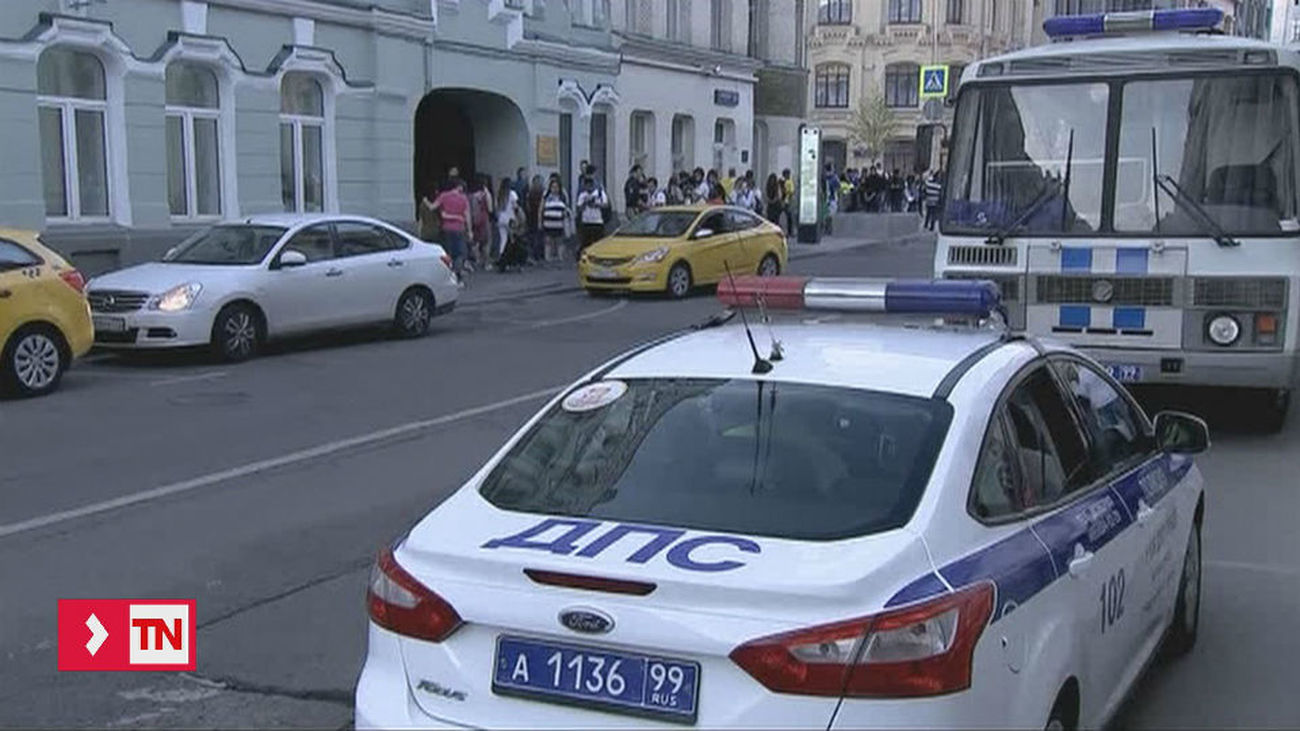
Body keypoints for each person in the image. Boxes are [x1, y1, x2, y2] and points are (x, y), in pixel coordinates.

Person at [429, 178, 472, 282]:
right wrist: (470, 231)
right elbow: (467, 216)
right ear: (459, 187)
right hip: (459, 228)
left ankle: (447, 275)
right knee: (459, 253)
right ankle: (457, 275)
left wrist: (426, 201)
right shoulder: (463, 198)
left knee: (448, 252)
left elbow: (432, 207)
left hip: (446, 228)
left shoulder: (443, 196)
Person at [575, 176, 609, 259]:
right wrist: (585, 202)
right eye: (587, 186)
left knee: (599, 242)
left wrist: (596, 205)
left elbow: (605, 205)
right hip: (586, 222)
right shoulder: (582, 195)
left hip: (597, 221)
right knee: (585, 242)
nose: (589, 188)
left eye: (590, 185)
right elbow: (578, 208)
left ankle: (598, 257)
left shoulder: (600, 193)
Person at [540, 178, 571, 262]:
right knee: (548, 241)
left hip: (559, 223)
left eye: (556, 187)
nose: (554, 189)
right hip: (548, 223)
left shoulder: (562, 197)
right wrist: (540, 221)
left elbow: (566, 209)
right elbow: (541, 209)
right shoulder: (546, 196)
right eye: (553, 187)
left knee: (560, 241)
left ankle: (560, 258)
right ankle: (548, 258)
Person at [469, 175, 495, 271]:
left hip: (474, 220)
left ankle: (477, 260)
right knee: (486, 242)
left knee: (475, 242)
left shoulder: (471, 195)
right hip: (484, 219)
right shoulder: (485, 194)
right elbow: (490, 208)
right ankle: (486, 263)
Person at [495, 177, 521, 261]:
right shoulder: (512, 193)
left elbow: (496, 207)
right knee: (512, 239)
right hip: (510, 219)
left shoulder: (499, 194)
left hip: (501, 218)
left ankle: (501, 255)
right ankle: (512, 257)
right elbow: (515, 206)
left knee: (503, 238)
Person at [524, 175, 545, 264]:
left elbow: (527, 205)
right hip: (534, 218)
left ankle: (535, 255)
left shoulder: (530, 193)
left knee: (535, 238)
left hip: (533, 218)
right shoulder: (538, 193)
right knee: (536, 238)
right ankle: (536, 255)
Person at [781, 169, 795, 234]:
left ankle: (790, 230)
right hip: (785, 200)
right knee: (787, 215)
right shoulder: (784, 182)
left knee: (789, 215)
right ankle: (789, 230)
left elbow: (791, 191)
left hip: (787, 200)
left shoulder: (789, 182)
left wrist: (786, 192)